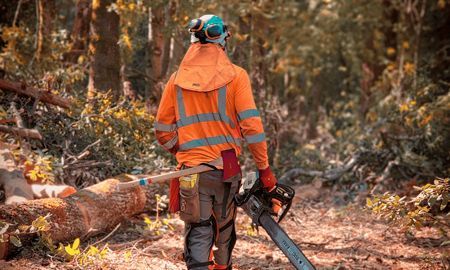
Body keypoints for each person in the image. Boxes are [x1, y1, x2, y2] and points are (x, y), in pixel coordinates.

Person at [154, 14, 280, 270]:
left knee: (199, 229)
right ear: (223, 41)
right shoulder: (236, 76)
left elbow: (162, 130)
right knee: (223, 231)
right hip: (227, 168)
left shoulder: (176, 80)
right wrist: (264, 169)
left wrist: (184, 150)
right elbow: (252, 129)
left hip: (191, 171)